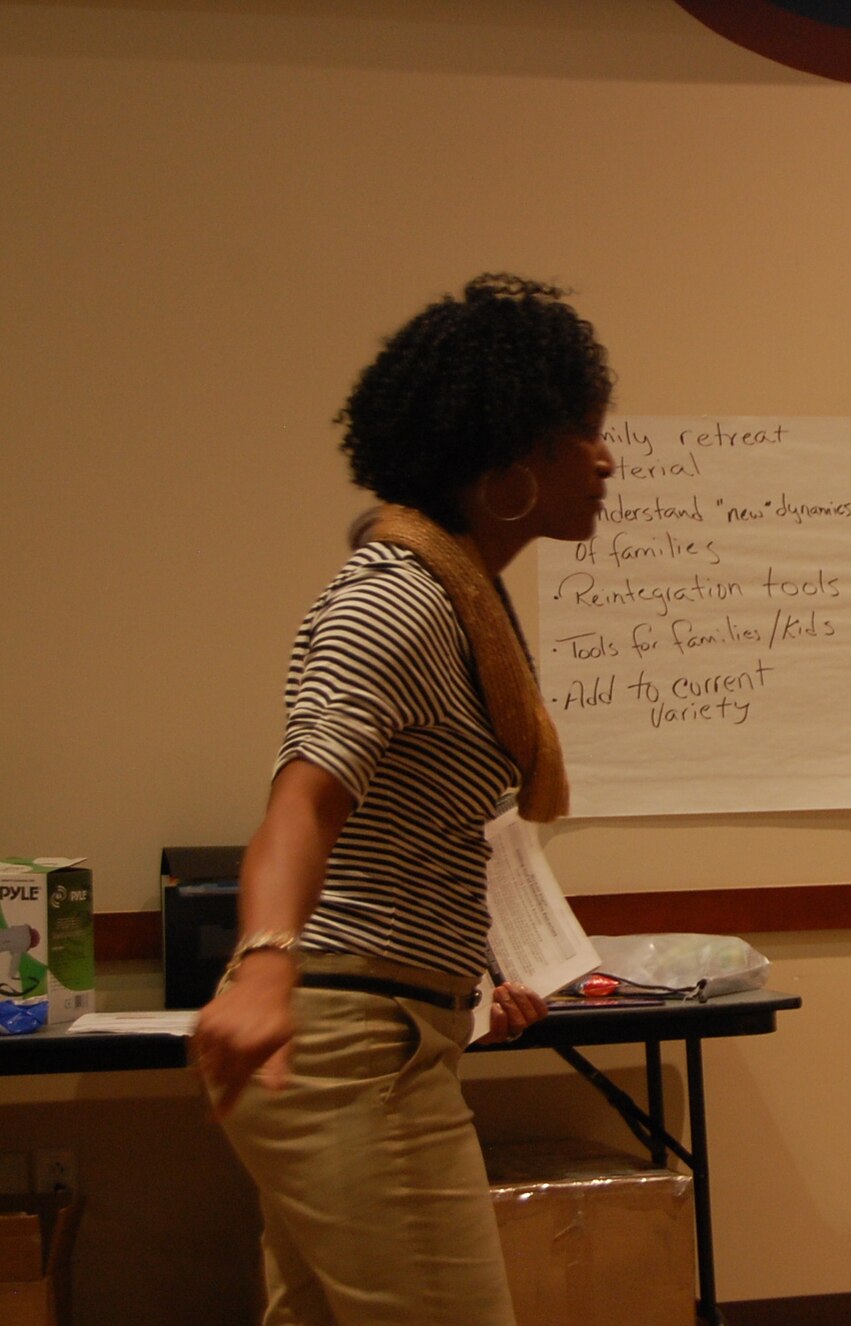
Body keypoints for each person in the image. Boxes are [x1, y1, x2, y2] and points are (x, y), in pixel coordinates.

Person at [192, 273, 616, 1326]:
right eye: (579, 432)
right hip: (346, 1048)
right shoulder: (395, 603)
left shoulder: (459, 603)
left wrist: (471, 978)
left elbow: (401, 832)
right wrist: (261, 962)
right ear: (507, 462)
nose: (605, 457)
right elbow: (304, 799)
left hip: (383, 1029)